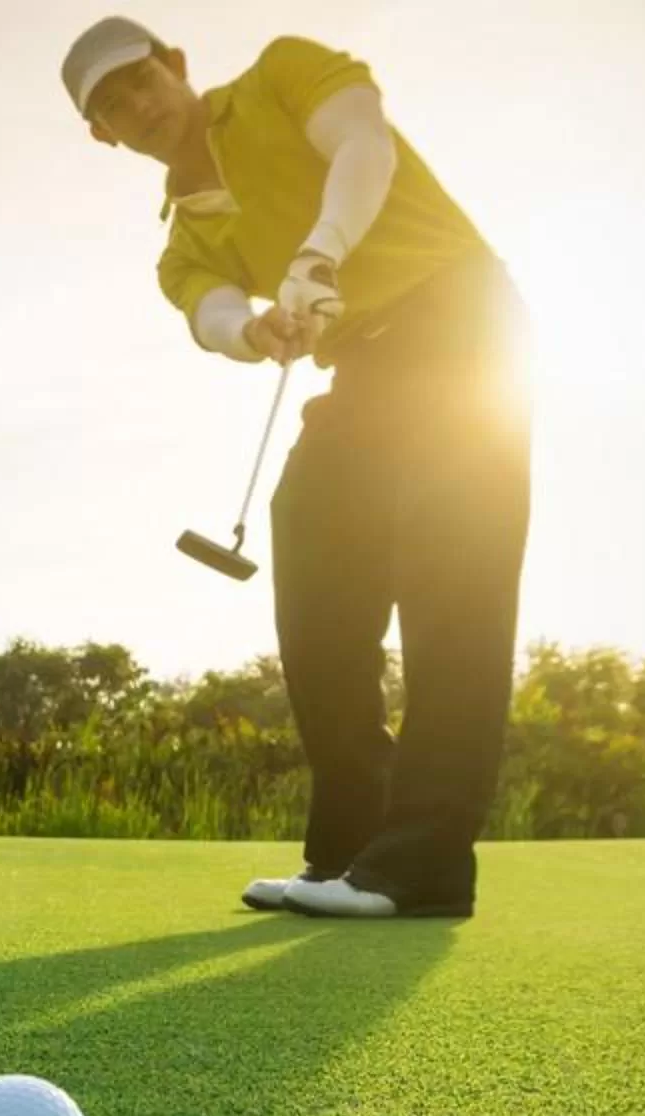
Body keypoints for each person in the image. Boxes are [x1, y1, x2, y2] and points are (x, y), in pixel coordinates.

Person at [62, 18, 532, 919]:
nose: (137, 105)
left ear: (177, 66)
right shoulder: (182, 244)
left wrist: (318, 254)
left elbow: (362, 142)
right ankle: (352, 848)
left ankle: (427, 864)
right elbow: (213, 313)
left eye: (141, 80)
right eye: (113, 106)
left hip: (461, 321)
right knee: (312, 553)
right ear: (102, 135)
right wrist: (259, 329)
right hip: (360, 365)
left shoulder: (283, 72)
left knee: (451, 583)